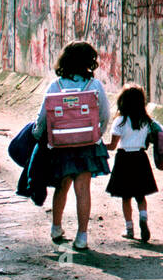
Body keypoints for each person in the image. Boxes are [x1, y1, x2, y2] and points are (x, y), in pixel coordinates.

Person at [34, 41, 111, 251]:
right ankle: (82, 236)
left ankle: (56, 227)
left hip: (61, 144)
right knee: (83, 189)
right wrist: (96, 134)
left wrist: (37, 135)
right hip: (87, 144)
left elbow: (43, 118)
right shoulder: (94, 86)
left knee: (62, 186)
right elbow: (104, 115)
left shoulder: (55, 86)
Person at [105, 83, 159, 242]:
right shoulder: (146, 121)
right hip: (141, 159)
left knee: (126, 197)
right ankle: (143, 218)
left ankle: (129, 228)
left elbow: (113, 145)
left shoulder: (120, 121)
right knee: (141, 195)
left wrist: (99, 145)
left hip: (124, 159)